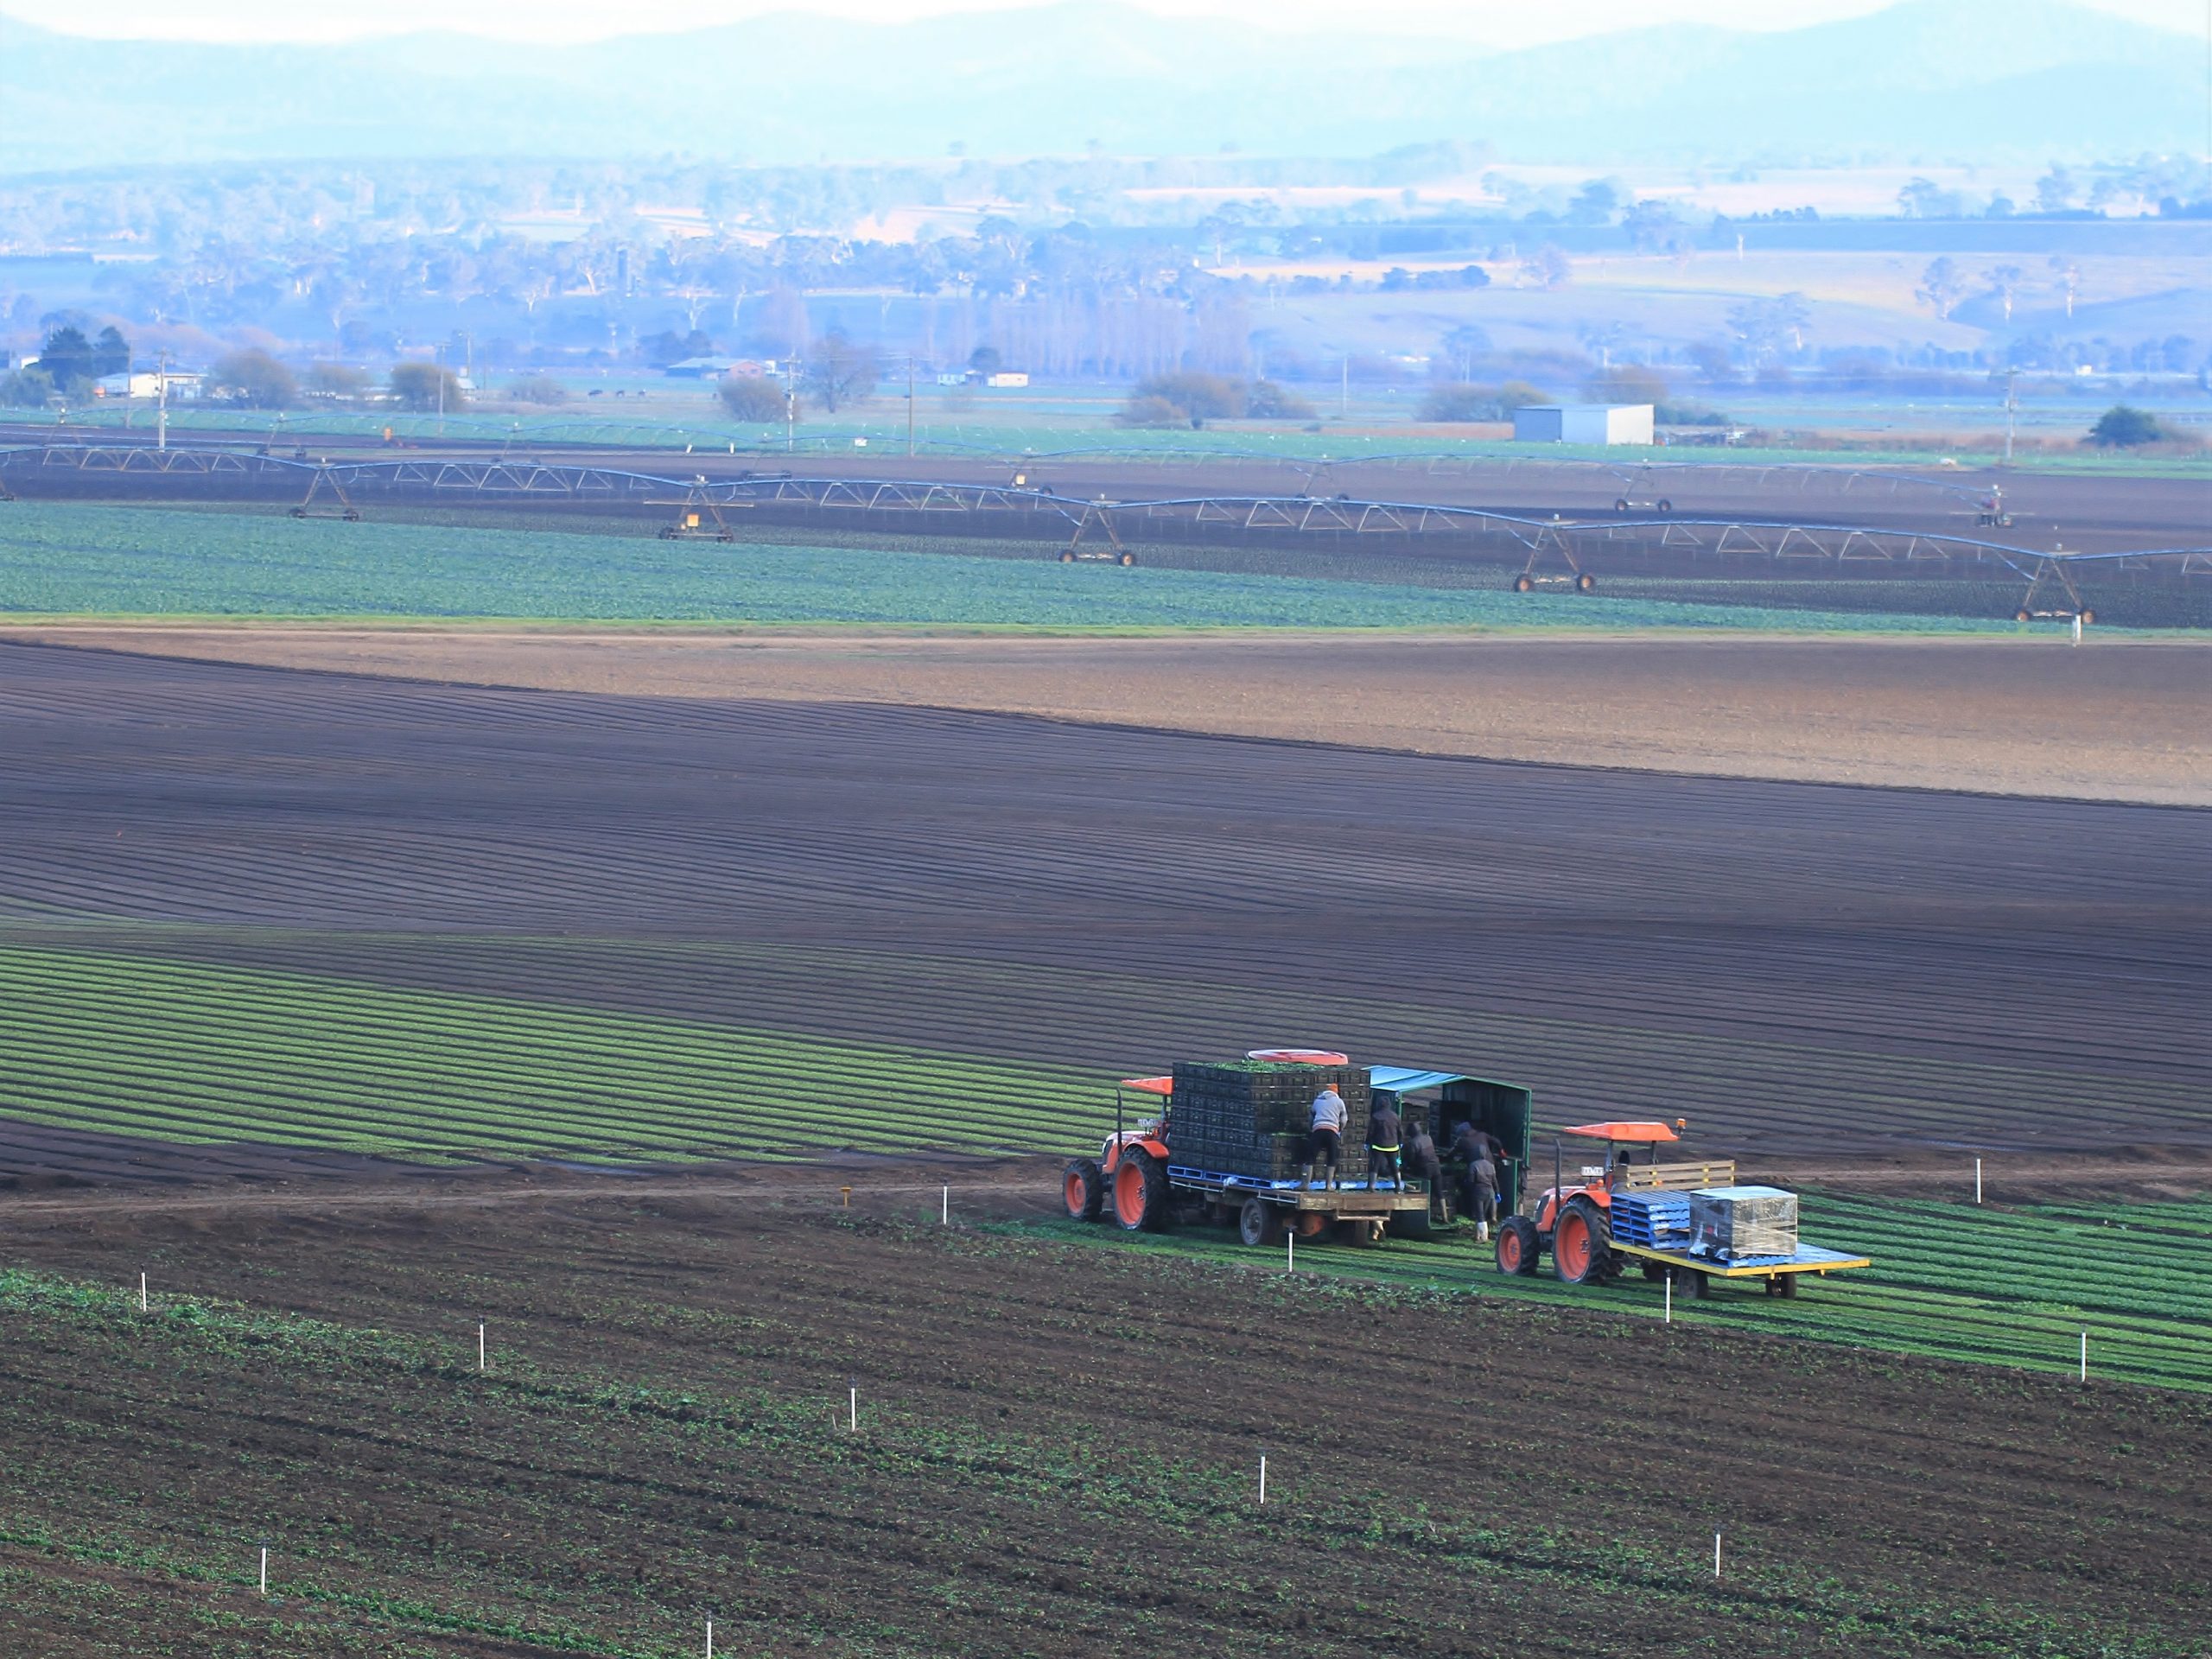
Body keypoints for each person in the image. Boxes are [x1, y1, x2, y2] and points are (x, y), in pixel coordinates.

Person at [1304, 1083, 1346, 1190]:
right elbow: (1344, 1119)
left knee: (1310, 1157)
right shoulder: (1339, 1102)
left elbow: (1311, 1117)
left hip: (1318, 1130)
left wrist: (1311, 1129)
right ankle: (1328, 1186)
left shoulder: (1317, 1101)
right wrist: (1340, 1129)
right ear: (1336, 1092)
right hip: (1332, 1132)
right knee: (1331, 1158)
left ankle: (1305, 1184)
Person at [1405, 1118, 1444, 1220]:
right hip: (1436, 1166)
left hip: (1425, 1169)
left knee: (1425, 1191)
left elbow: (1411, 1159)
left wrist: (1406, 1166)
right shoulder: (1428, 1137)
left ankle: (1424, 1216)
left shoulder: (1413, 1143)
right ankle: (1445, 1217)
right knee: (1439, 1192)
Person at [1366, 1097, 1402, 1190]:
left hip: (1378, 1145)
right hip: (1393, 1146)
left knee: (1375, 1165)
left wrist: (1367, 1142)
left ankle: (1371, 1186)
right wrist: (1400, 1143)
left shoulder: (1376, 1116)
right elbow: (1400, 1131)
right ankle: (1398, 1186)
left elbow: (1371, 1132)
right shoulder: (1395, 1116)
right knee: (1394, 1166)